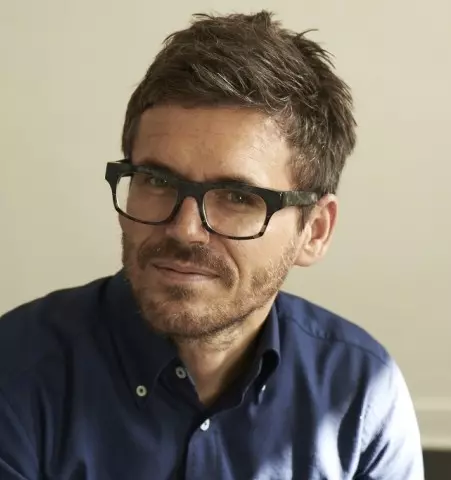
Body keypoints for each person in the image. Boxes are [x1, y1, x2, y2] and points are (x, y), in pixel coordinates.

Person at [0, 10, 424, 480]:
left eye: (238, 197)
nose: (184, 229)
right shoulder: (15, 371)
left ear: (315, 231)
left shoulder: (362, 393)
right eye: (157, 180)